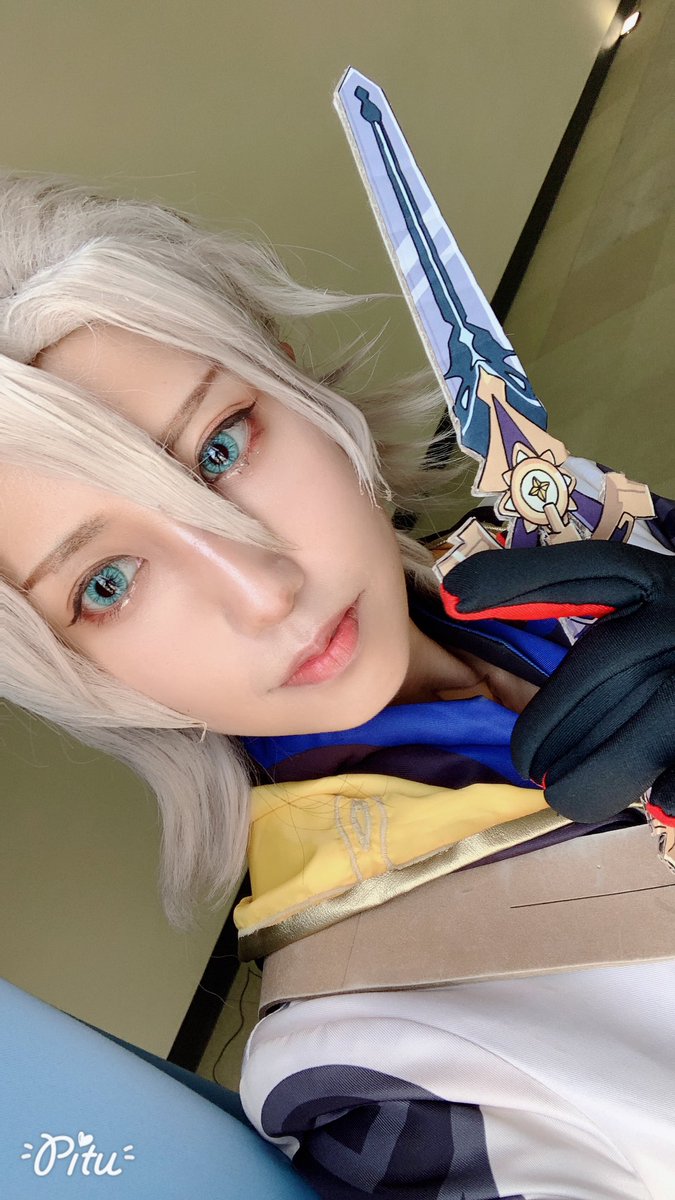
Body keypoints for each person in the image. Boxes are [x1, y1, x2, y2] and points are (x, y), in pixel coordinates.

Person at [1, 169, 674, 1198]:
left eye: (219, 446)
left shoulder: (583, 541)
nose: (261, 589)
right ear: (70, 671)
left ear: (289, 373)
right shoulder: (370, 1071)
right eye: (107, 584)